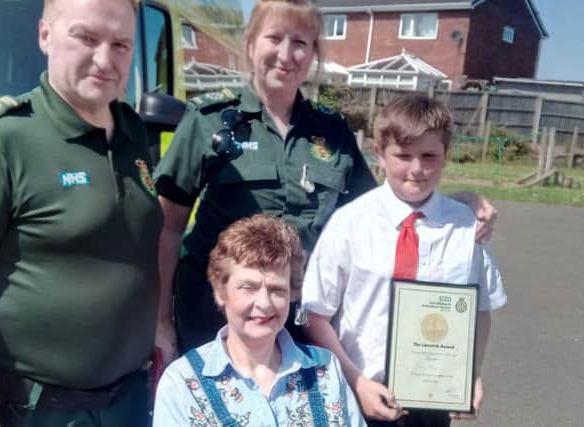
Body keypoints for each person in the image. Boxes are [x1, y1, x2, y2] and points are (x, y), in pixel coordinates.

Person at [153, 0, 497, 356]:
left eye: (300, 42)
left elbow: (380, 210)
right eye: (274, 38)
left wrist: (459, 202)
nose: (286, 54)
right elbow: (168, 228)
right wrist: (161, 321)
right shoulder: (207, 121)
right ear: (251, 43)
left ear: (313, 53)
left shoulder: (333, 132)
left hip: (300, 320)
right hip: (215, 315)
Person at [0, 0, 169, 425]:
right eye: (87, 38)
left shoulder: (133, 133)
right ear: (44, 35)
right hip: (36, 410)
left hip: (128, 401)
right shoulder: (1, 142)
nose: (104, 59)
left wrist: (160, 327)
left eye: (121, 45)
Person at [301, 95, 508, 427]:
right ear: (380, 155)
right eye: (403, 155)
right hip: (362, 391)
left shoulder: (466, 227)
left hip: (435, 395)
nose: (416, 168)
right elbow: (316, 315)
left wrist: (470, 373)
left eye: (429, 156)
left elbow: (480, 308)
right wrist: (356, 382)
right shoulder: (350, 223)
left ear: (446, 156)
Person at [153, 214, 365, 426]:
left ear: (292, 293)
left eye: (276, 290)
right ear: (220, 291)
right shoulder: (183, 384)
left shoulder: (325, 370)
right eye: (248, 287)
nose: (264, 303)